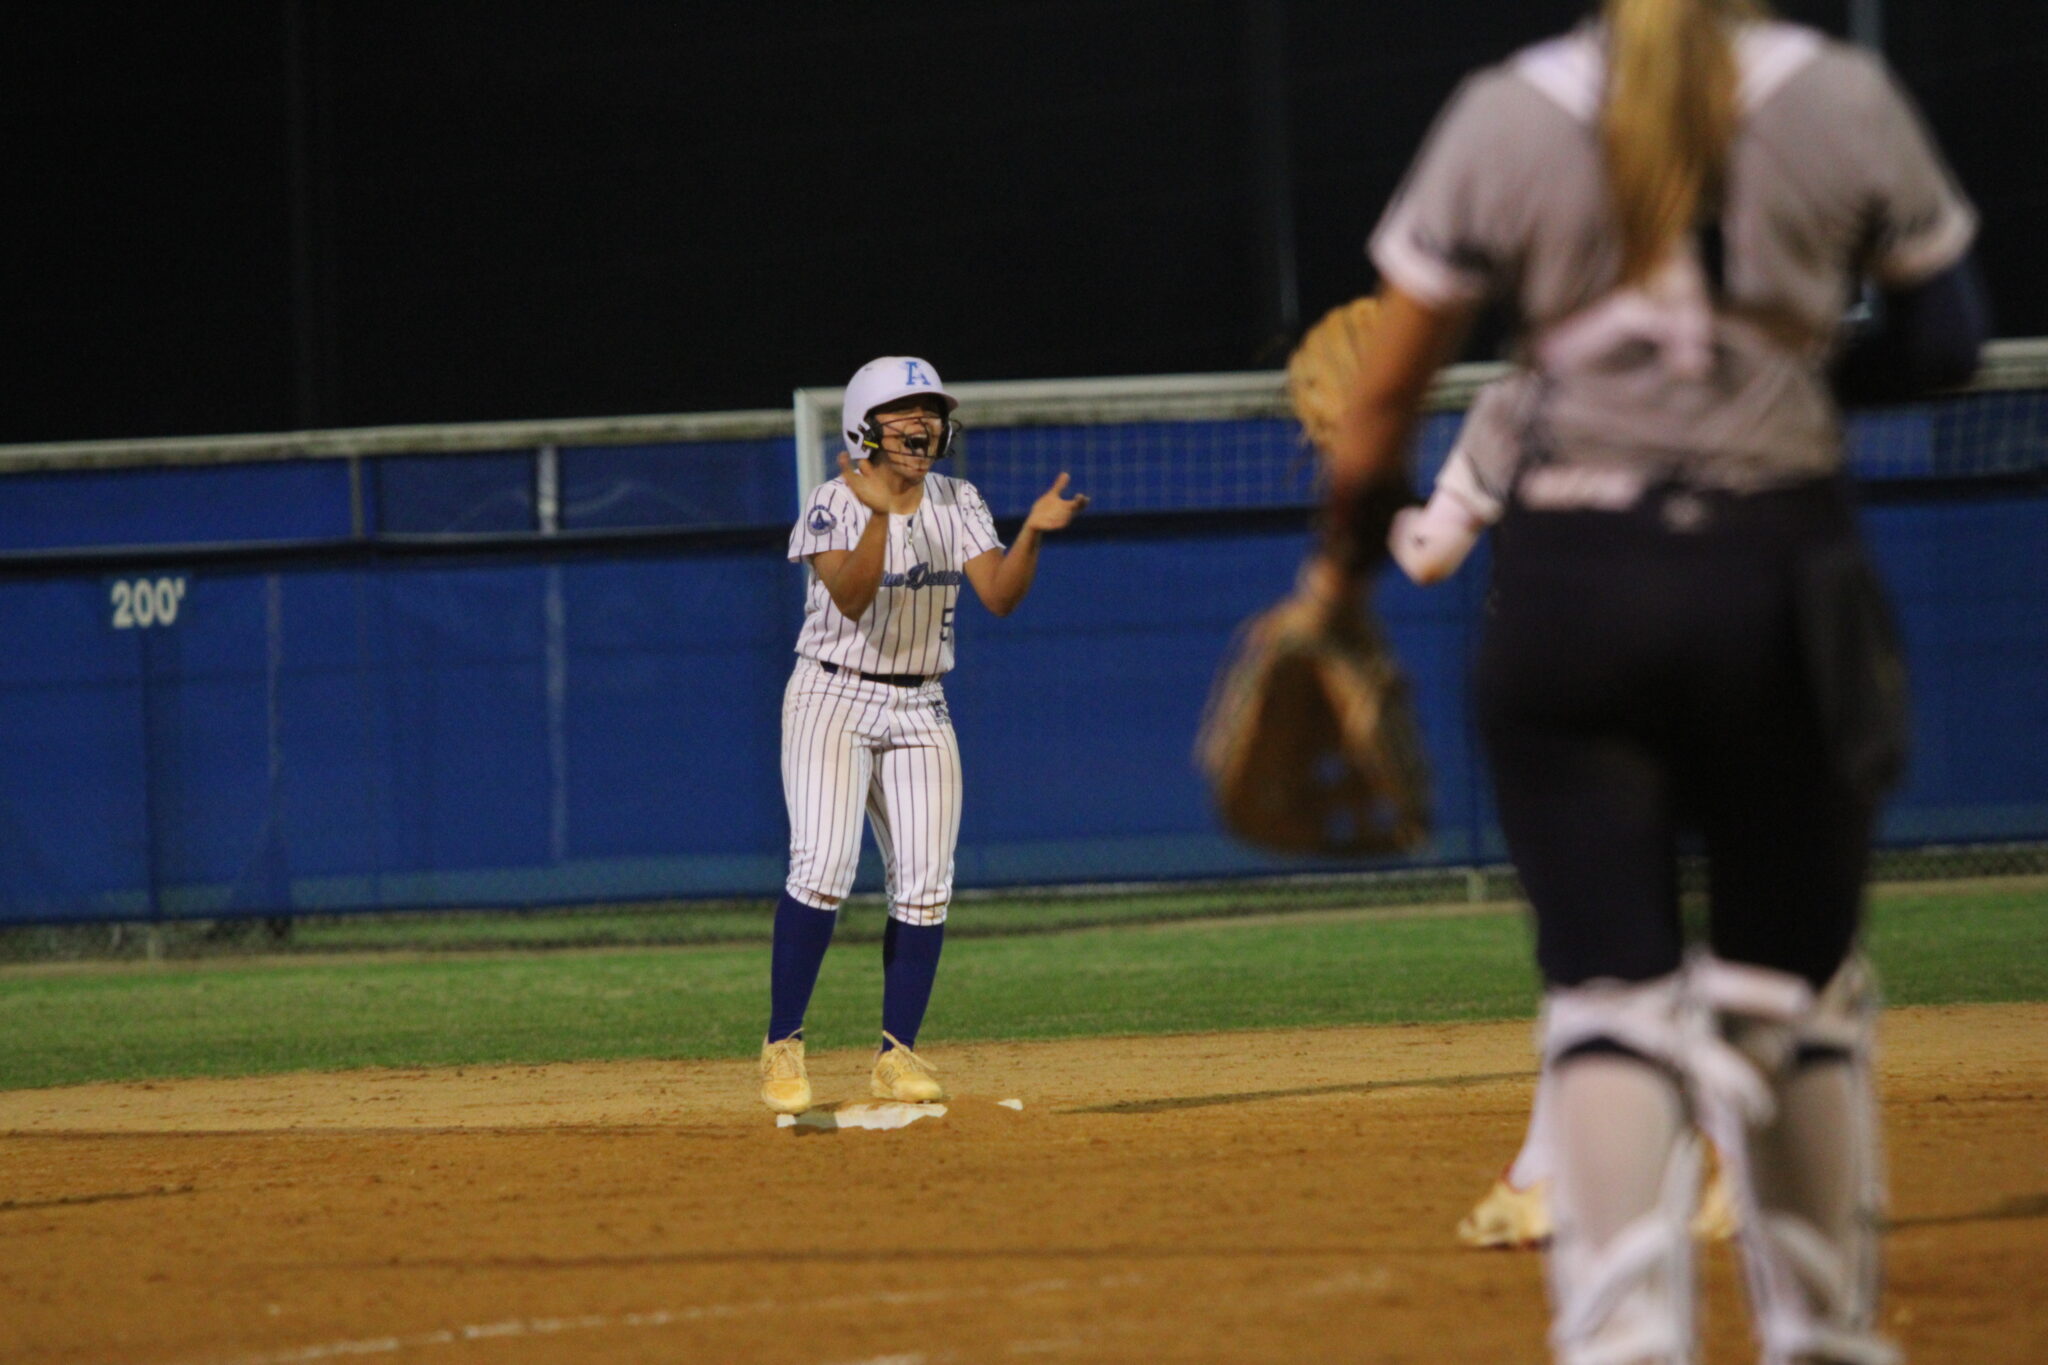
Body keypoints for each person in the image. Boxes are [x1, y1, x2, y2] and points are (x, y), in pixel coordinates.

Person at [1304, 2, 1988, 1360]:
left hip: (1576, 602)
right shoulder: (1838, 94)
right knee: (1792, 997)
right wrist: (1779, 376)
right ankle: (1822, 1338)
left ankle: (1621, 1344)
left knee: (1604, 999)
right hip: (1776, 581)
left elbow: (1380, 408)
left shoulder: (1507, 108)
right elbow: (1944, 343)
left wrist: (1333, 583)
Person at [759, 356, 1088, 1114]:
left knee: (927, 882)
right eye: (906, 412)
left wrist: (1033, 535)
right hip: (831, 694)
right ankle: (782, 1046)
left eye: (931, 413)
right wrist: (881, 514)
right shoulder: (832, 500)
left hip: (921, 704)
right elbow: (850, 597)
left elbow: (998, 595)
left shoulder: (958, 498)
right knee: (823, 867)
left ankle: (896, 1053)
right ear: (864, 427)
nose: (923, 425)